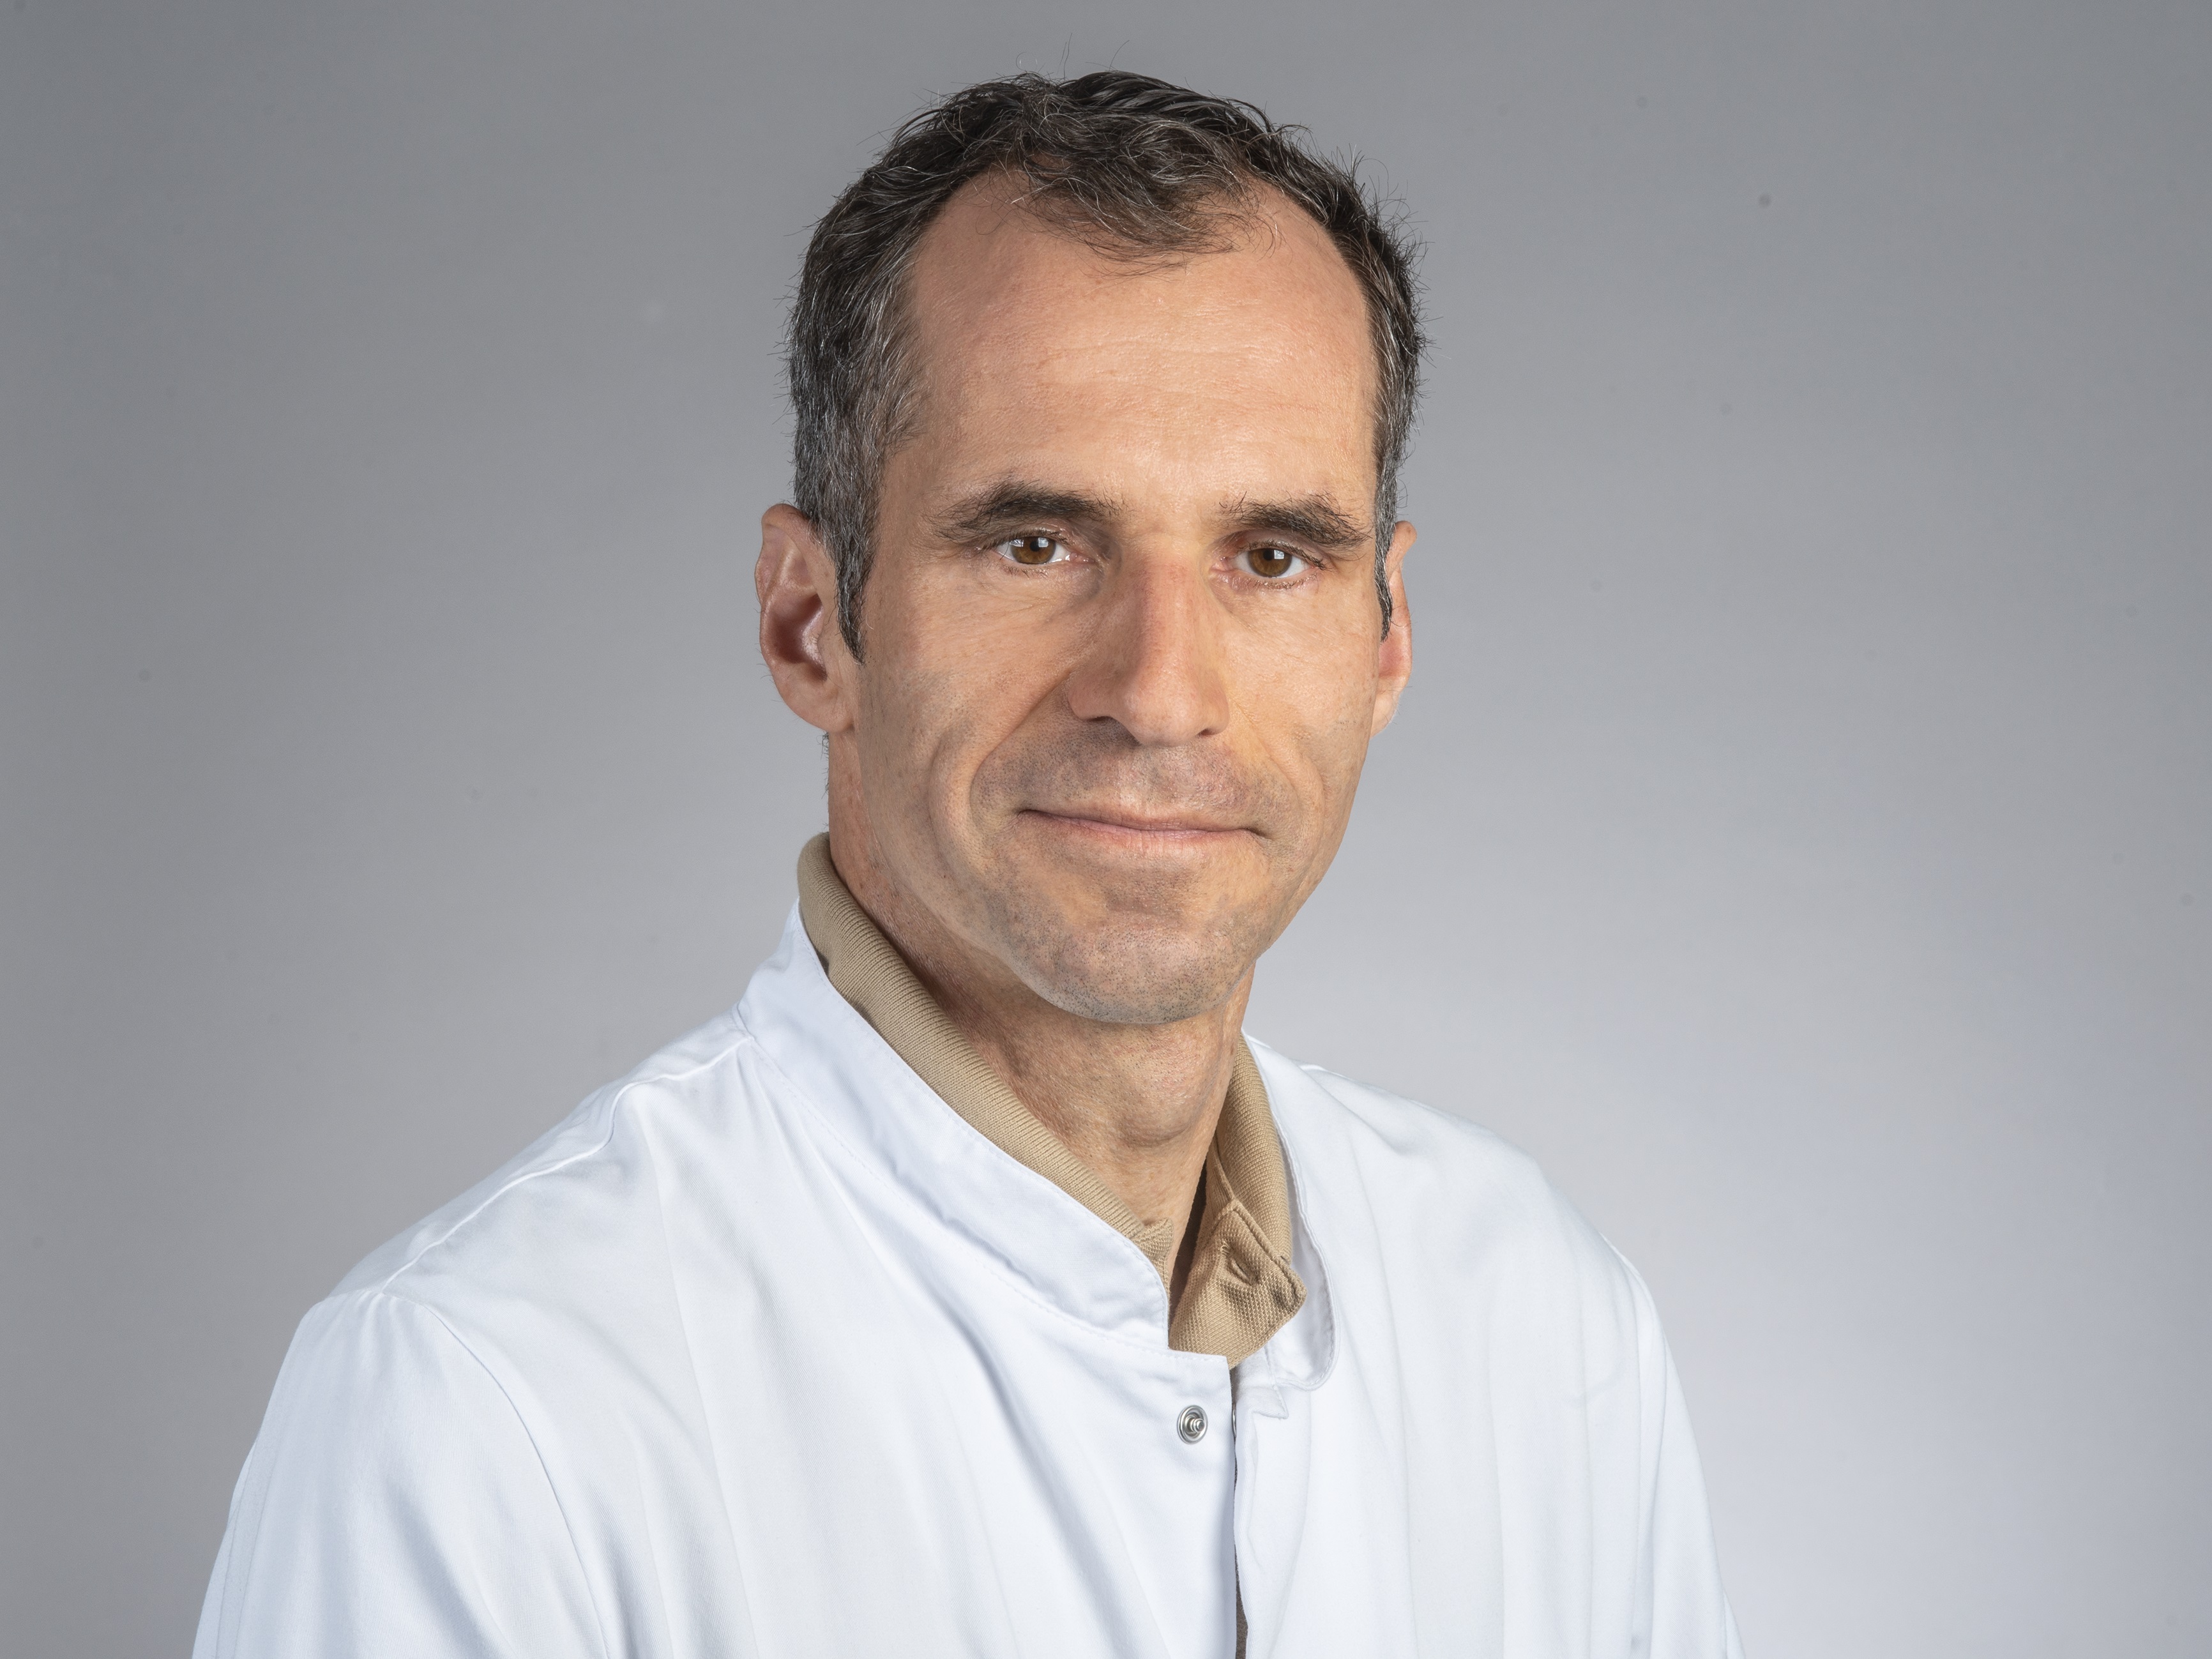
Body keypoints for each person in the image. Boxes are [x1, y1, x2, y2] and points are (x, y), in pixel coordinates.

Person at [194, 71, 1744, 1659]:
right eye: (1034, 545)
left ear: (1385, 639)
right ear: (811, 624)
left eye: (1272, 557)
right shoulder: (489, 1406)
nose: (1159, 692)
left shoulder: (1540, 1321)